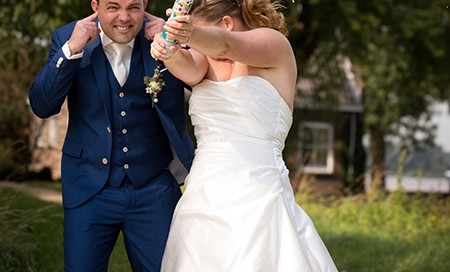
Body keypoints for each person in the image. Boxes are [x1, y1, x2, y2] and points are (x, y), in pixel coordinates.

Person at [150, 0, 339, 271]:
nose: (195, 46)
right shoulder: (205, 62)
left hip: (258, 189)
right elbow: (188, 67)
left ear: (227, 23)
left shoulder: (273, 45)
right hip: (203, 194)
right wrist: (167, 48)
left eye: (199, 35)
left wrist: (188, 32)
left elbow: (226, 45)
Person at [28, 0, 194, 271]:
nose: (124, 18)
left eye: (133, 7)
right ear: (95, 5)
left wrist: (175, 45)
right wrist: (72, 50)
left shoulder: (164, 36)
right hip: (89, 187)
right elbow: (42, 105)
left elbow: (207, 82)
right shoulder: (67, 36)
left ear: (145, 5)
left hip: (153, 187)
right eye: (113, 7)